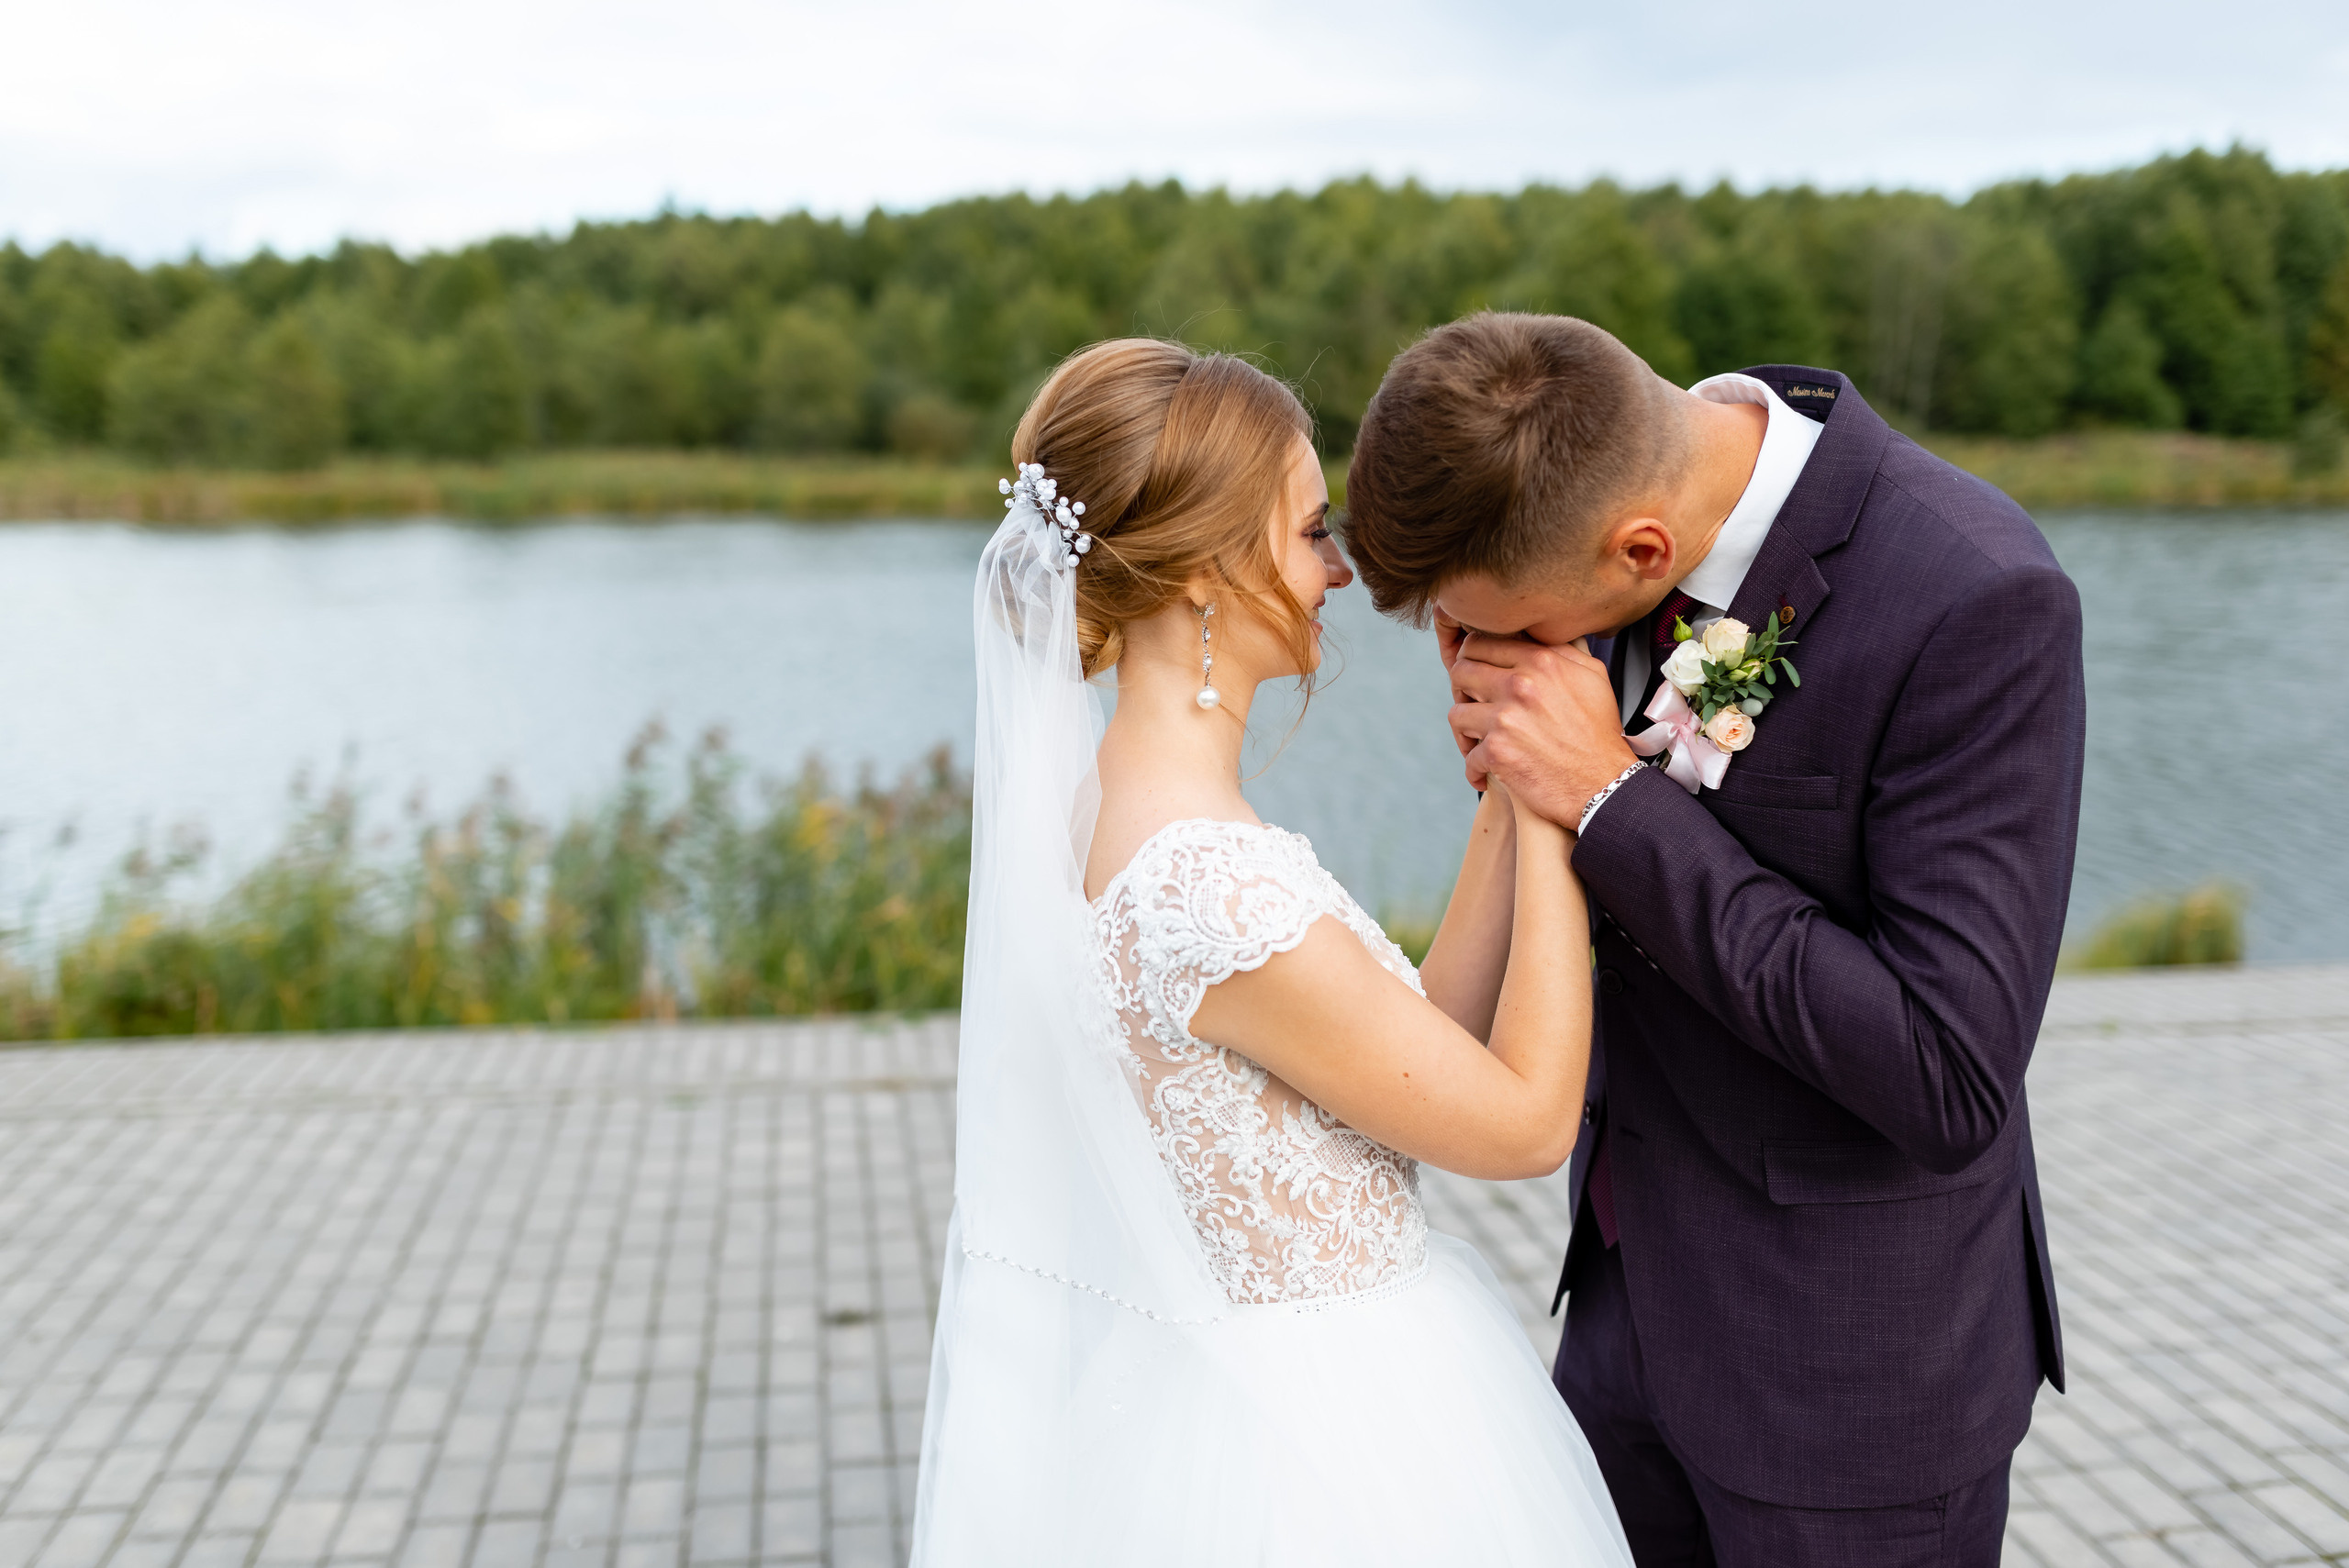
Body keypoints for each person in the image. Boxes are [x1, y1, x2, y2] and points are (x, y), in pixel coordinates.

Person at [1341, 312, 2082, 1567]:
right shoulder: (1582, 488)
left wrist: (1610, 799)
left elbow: (1949, 1072)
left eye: (1507, 631)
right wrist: (1523, 786)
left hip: (1847, 1392)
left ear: (1643, 552)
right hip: (1619, 1326)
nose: (1491, 659)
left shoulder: (1975, 594)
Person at [912, 339, 1631, 1566]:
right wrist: (1577, 802)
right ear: (1204, 569)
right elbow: (1520, 1124)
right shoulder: (1210, 887)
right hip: (1329, 1438)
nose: (1337, 570)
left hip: (1214, 1385)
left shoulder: (1101, 816)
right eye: (1309, 532)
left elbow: (1409, 1053)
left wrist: (1513, 791)